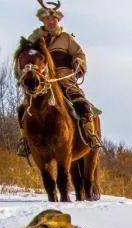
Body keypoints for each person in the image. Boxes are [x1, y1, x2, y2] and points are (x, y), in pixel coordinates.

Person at [16, 3, 101, 156]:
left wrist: (78, 63)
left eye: (54, 19)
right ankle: (24, 141)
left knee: (82, 104)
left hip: (65, 79)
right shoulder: (34, 39)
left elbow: (79, 54)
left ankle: (90, 135)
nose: (51, 22)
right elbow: (24, 56)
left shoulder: (67, 38)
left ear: (58, 20)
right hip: (42, 82)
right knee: (23, 108)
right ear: (43, 21)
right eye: (48, 19)